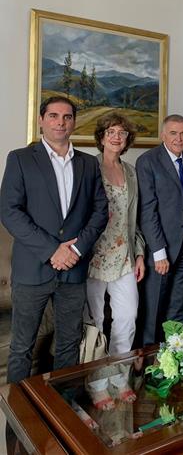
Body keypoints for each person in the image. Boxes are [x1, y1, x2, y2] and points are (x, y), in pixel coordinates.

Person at [0, 96, 108, 384]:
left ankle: (65, 406)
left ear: (74, 122)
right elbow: (9, 212)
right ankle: (18, 414)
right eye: (53, 116)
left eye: (67, 117)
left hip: (74, 269)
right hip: (32, 269)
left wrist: (75, 248)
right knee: (22, 347)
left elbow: (100, 211)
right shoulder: (20, 158)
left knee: (69, 345)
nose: (60, 122)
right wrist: (52, 250)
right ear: (41, 120)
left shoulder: (88, 164)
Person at [136, 114, 183, 345]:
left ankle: (175, 352)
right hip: (162, 247)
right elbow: (147, 211)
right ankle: (151, 358)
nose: (179, 138)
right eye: (173, 133)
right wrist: (158, 251)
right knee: (154, 306)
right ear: (163, 135)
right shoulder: (148, 161)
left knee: (180, 303)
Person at [87, 113, 145, 356]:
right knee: (95, 320)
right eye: (111, 132)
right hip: (93, 255)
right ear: (101, 137)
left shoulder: (131, 173)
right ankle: (95, 383)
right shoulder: (88, 167)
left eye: (122, 133)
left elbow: (135, 219)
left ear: (127, 139)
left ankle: (118, 375)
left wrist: (140, 253)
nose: (116, 137)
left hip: (123, 256)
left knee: (127, 316)